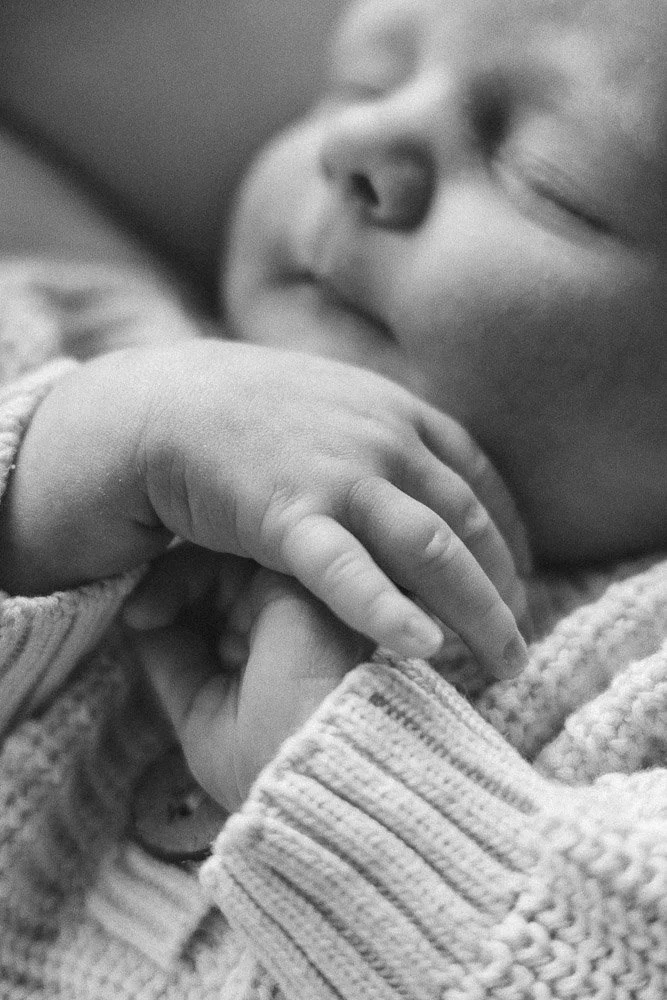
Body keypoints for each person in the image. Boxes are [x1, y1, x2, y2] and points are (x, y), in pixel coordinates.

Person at [0, 0, 665, 997]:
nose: (357, 142)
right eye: (360, 82)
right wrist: (56, 480)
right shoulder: (78, 359)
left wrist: (346, 771)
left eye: (547, 176)